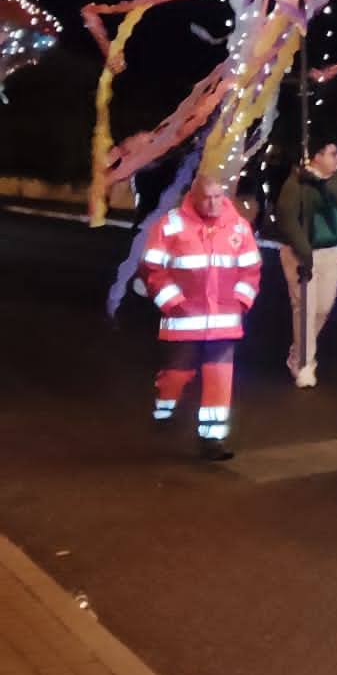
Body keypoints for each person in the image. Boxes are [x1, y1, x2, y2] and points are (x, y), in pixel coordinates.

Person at [139, 173, 264, 460]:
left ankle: (212, 440)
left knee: (220, 377)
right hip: (184, 320)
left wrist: (242, 301)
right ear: (193, 197)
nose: (213, 203)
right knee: (176, 374)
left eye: (219, 196)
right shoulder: (171, 225)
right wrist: (173, 302)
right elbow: (152, 269)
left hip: (224, 322)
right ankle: (164, 405)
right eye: (207, 197)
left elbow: (251, 270)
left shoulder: (239, 228)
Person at [276, 140, 337, 388]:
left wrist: (323, 181)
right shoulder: (295, 183)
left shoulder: (334, 179)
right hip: (301, 253)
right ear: (316, 156)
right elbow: (288, 219)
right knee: (305, 308)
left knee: (323, 307)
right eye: (332, 153)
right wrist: (304, 252)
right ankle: (303, 364)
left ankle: (299, 351)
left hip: (330, 252)